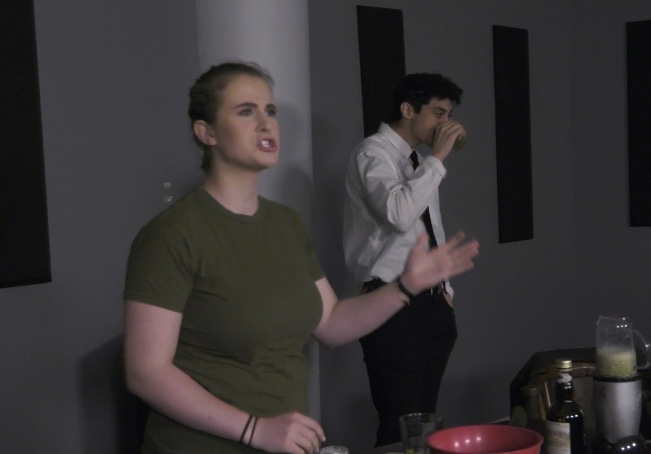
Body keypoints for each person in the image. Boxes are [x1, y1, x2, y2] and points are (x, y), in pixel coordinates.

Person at [122, 62, 479, 454]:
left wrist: (406, 286)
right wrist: (254, 429)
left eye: (270, 111)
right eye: (246, 111)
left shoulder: (285, 224)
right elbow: (145, 372)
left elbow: (331, 323)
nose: (266, 124)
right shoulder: (171, 234)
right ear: (206, 132)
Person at [342, 73, 467, 446]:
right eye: (438, 113)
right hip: (389, 302)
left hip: (431, 303)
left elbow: (431, 230)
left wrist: (446, 291)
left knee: (425, 424)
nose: (445, 124)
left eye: (448, 115)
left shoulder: (418, 161)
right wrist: (438, 159)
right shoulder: (372, 153)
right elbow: (398, 214)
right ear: (408, 109)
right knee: (398, 426)